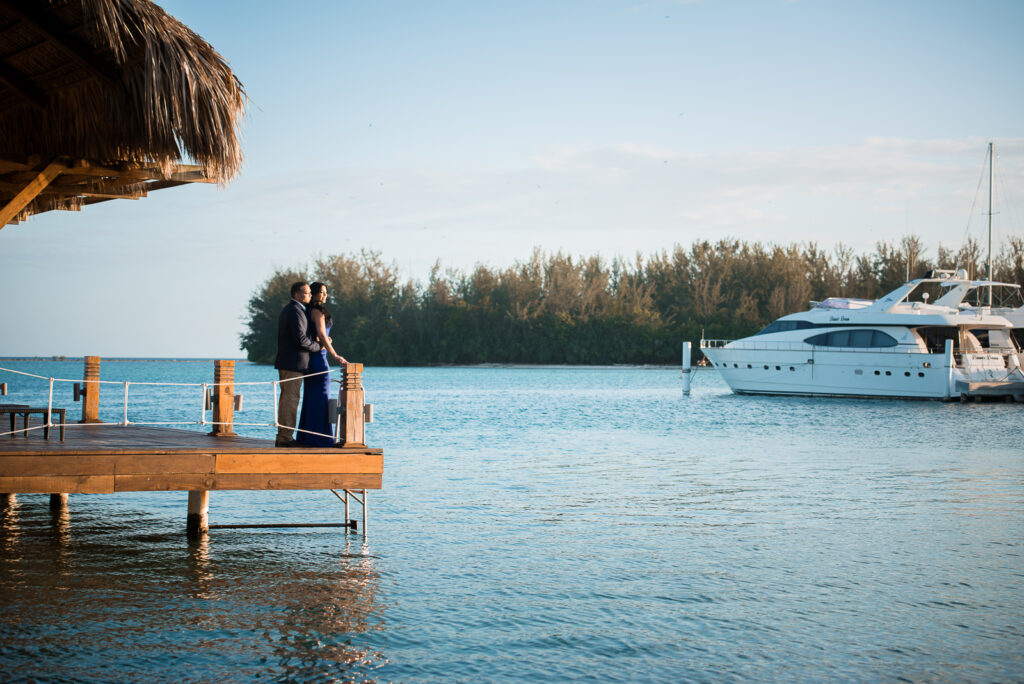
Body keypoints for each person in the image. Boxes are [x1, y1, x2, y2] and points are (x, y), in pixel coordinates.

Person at [297, 282, 347, 446]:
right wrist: (335, 354)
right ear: (315, 293)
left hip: (314, 356)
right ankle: (320, 438)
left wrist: (324, 341)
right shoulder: (316, 311)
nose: (325, 295)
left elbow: (318, 335)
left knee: (312, 397)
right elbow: (321, 334)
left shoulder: (308, 311)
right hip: (319, 358)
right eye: (322, 292)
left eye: (326, 292)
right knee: (320, 397)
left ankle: (308, 437)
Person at [274, 282, 321, 447]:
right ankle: (285, 438)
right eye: (307, 293)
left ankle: (284, 435)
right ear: (297, 295)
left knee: (287, 399)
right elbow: (301, 339)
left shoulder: (291, 309)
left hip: (288, 362)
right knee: (290, 400)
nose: (310, 296)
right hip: (293, 363)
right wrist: (318, 346)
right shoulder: (295, 311)